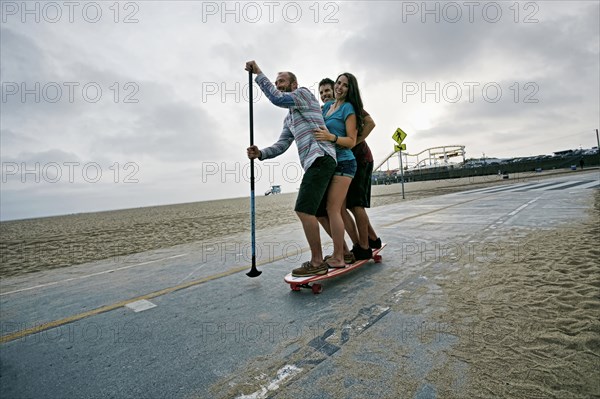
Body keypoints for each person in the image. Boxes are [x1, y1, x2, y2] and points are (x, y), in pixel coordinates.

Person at [245, 61, 337, 277]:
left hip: (320, 156)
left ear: (294, 84)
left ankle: (317, 261)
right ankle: (342, 251)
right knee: (320, 212)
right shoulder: (289, 118)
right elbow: (282, 145)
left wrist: (259, 73)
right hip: (315, 162)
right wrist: (260, 153)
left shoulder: (303, 94)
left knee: (303, 209)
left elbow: (276, 98)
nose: (278, 85)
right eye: (276, 82)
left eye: (282, 81)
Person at [318, 77, 382, 261]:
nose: (325, 95)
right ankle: (372, 239)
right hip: (342, 161)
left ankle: (363, 246)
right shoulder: (328, 109)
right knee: (344, 206)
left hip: (360, 159)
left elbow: (370, 123)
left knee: (356, 204)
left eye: (328, 91)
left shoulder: (348, 106)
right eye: (322, 93)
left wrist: (353, 143)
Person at [313, 73, 360, 268]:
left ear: (350, 90)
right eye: (339, 83)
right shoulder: (328, 108)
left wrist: (331, 137)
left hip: (345, 163)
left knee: (333, 209)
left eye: (345, 85)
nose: (340, 87)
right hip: (330, 164)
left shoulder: (348, 108)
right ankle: (344, 253)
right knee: (324, 210)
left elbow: (351, 141)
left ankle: (339, 256)